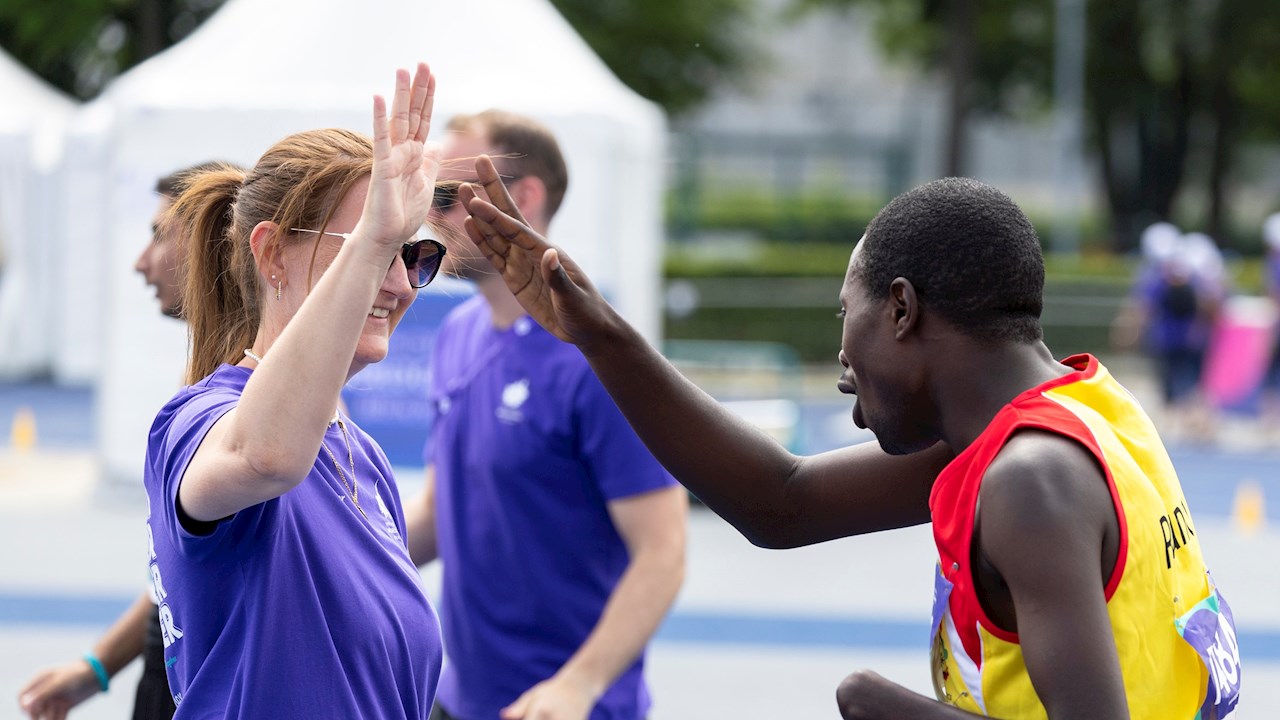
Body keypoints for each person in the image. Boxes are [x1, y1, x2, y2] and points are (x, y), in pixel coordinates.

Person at [461, 170, 1240, 719]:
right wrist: (601, 338)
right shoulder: (1083, 413)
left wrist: (879, 706)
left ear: (900, 309)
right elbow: (783, 504)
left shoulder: (1029, 482)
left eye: (847, 315)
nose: (842, 357)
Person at [143, 63, 447, 717]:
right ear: (272, 254)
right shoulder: (200, 419)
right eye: (369, 247)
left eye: (409, 255)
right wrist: (374, 242)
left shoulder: (361, 456)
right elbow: (264, 458)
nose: (395, 284)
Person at [401, 110, 687, 720]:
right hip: (461, 700)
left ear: (523, 198)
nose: (431, 213)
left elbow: (663, 551)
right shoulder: (458, 333)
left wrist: (577, 685)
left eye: (448, 196)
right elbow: (441, 506)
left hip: (567, 708)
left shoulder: (593, 356)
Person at [18, 161, 237, 720]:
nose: (142, 264)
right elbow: (174, 573)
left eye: (160, 236)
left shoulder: (252, 411)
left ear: (213, 247)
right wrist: (97, 667)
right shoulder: (204, 386)